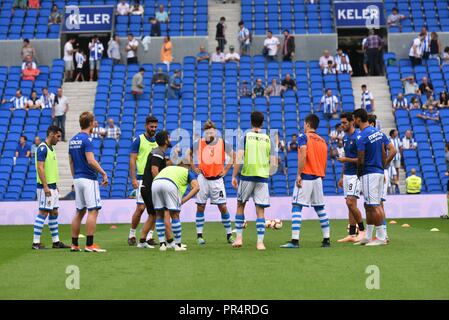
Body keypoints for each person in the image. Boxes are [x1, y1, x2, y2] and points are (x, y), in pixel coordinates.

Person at [281, 113, 330, 249]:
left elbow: (303, 154)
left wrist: (299, 174)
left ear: (307, 124)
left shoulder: (304, 137)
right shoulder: (322, 140)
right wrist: (322, 173)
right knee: (320, 208)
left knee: (297, 206)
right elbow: (324, 159)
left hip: (307, 175)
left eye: (304, 124)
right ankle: (326, 239)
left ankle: (295, 241)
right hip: (318, 177)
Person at [231, 111, 277, 250]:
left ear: (251, 122)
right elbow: (274, 162)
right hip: (262, 178)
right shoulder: (269, 139)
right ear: (262, 123)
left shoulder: (245, 137)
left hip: (247, 176)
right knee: (260, 210)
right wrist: (266, 173)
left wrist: (234, 175)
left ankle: (239, 238)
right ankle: (260, 243)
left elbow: (239, 157)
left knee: (240, 205)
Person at [353, 109, 396, 246]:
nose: (354, 121)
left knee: (374, 205)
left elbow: (360, 158)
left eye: (354, 119)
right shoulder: (379, 133)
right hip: (379, 172)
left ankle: (381, 237)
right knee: (368, 205)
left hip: (369, 172)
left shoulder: (361, 136)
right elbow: (393, 150)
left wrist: (359, 172)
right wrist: (383, 165)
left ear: (359, 119)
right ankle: (368, 236)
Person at [69, 111, 109, 252]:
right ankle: (90, 244)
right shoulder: (87, 140)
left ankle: (74, 244)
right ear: (91, 123)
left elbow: (71, 162)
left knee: (79, 211)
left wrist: (75, 177)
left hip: (78, 178)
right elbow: (91, 160)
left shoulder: (73, 140)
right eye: (94, 121)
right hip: (88, 179)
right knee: (93, 211)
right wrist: (103, 173)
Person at [193, 120, 234, 245]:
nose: (210, 134)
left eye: (212, 131)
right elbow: (188, 155)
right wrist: (194, 167)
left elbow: (234, 156)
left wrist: (226, 170)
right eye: (207, 132)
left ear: (215, 132)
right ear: (204, 132)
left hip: (217, 180)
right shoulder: (198, 143)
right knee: (200, 206)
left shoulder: (222, 143)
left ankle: (229, 235)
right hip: (203, 180)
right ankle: (199, 236)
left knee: (223, 207)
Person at [32, 126, 70, 250]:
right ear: (51, 134)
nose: (59, 139)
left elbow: (50, 169)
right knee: (43, 212)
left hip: (52, 186)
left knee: (54, 212)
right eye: (58, 136)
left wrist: (55, 186)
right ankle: (36, 243)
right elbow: (40, 168)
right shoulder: (42, 148)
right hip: (45, 187)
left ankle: (56, 241)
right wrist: (45, 186)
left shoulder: (51, 149)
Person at [139, 130, 176, 249]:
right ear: (165, 141)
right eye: (168, 137)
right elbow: (154, 170)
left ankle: (142, 241)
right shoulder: (158, 153)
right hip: (150, 188)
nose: (170, 139)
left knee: (153, 215)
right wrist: (160, 185)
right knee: (162, 214)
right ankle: (170, 241)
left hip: (147, 188)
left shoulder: (160, 153)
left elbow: (166, 165)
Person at [153, 159, 199, 251]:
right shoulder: (187, 171)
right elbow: (197, 187)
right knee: (175, 215)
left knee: (159, 214)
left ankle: (162, 244)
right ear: (188, 166)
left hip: (155, 183)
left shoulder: (168, 168)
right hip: (170, 184)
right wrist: (183, 200)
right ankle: (178, 245)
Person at [128, 116, 159, 246]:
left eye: (155, 127)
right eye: (151, 127)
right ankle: (131, 234)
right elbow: (132, 160)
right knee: (140, 208)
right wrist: (134, 178)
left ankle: (149, 236)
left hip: (155, 179)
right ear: (146, 126)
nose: (153, 129)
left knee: (155, 210)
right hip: (142, 178)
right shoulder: (138, 140)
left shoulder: (158, 141)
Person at [336, 113, 365, 243]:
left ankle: (363, 231)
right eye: (341, 123)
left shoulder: (358, 137)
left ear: (352, 122)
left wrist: (346, 159)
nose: (342, 125)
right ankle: (352, 234)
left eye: (344, 123)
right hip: (347, 175)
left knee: (350, 203)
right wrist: (342, 176)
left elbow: (361, 160)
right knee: (349, 205)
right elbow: (345, 160)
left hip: (355, 175)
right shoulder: (346, 137)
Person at [389, 129, 402, 194]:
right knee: (391, 168)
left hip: (397, 156)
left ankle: (397, 180)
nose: (397, 133)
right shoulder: (389, 140)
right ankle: (392, 180)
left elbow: (400, 147)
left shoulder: (398, 139)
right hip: (391, 157)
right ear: (392, 133)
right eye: (395, 132)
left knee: (397, 169)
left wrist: (400, 154)